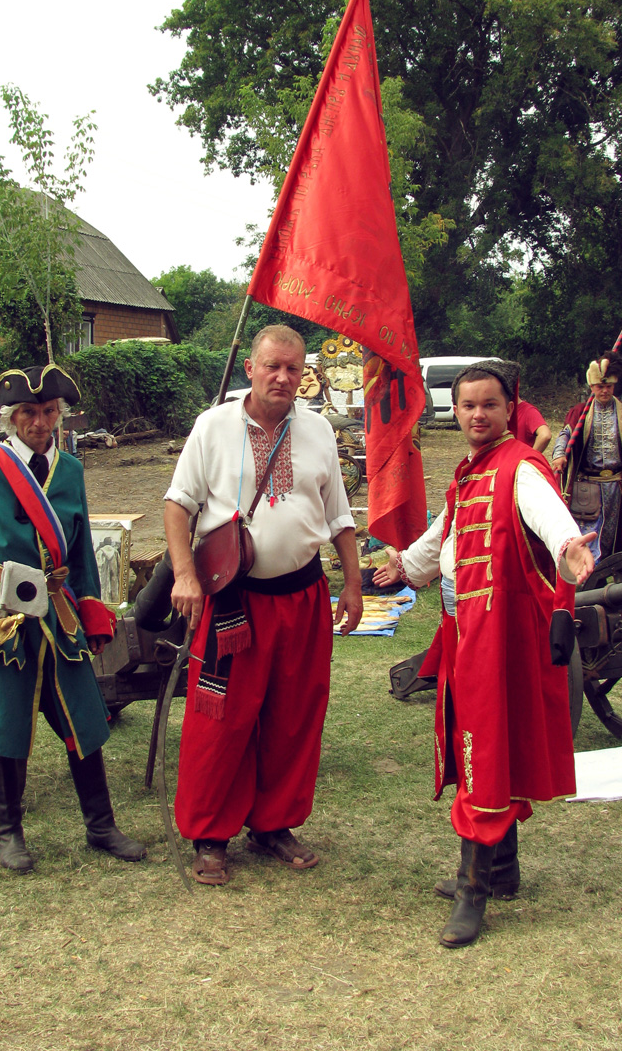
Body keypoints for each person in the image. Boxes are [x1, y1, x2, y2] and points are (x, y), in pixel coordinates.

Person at [374, 359, 595, 948]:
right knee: (488, 740)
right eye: (467, 405)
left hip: (501, 636)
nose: (476, 414)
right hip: (465, 628)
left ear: (509, 410)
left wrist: (570, 547)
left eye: (488, 405)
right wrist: (406, 565)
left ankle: (474, 890)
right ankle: (504, 870)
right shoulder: (472, 469)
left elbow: (552, 519)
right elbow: (444, 529)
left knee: (486, 749)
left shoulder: (520, 467)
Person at [164, 325, 363, 886]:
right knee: (220, 719)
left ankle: (274, 825)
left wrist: (351, 584)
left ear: (305, 374)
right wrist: (185, 575)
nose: (282, 377)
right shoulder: (213, 426)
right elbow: (178, 505)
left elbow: (340, 516)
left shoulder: (320, 430)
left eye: (293, 369)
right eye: (272, 365)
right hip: (234, 603)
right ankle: (210, 834)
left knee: (294, 716)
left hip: (301, 597)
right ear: (249, 367)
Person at [0, 363, 146, 872]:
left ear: (59, 415)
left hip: (57, 614)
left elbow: (78, 551)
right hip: (2, 617)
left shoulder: (71, 470)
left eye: (48, 411)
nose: (39, 422)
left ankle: (101, 827)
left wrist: (93, 612)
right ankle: (9, 834)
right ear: (11, 418)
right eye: (29, 412)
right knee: (2, 723)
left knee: (84, 719)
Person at [552, 351, 622, 562]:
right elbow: (565, 435)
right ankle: (585, 573)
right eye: (599, 387)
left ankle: (607, 570)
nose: (604, 391)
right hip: (586, 484)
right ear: (592, 387)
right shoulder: (579, 413)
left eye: (608, 387)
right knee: (586, 531)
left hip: (615, 486)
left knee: (611, 534)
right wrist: (559, 455)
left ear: (614, 386)